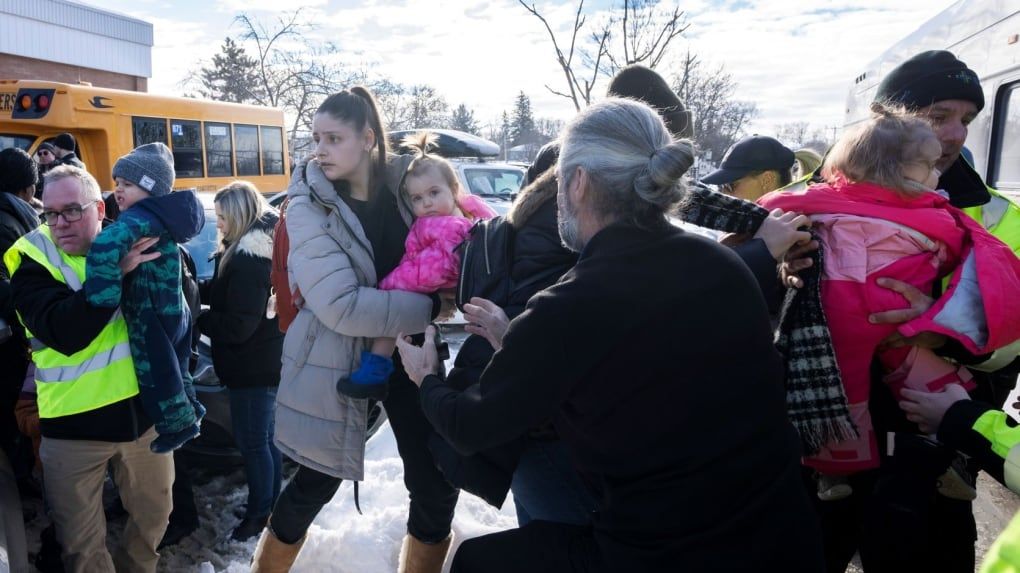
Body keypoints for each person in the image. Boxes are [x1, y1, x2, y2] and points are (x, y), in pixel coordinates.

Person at [397, 98, 823, 572]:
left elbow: (471, 427)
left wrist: (427, 377)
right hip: (783, 535)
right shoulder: (725, 266)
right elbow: (636, 362)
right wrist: (516, 339)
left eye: (559, 181)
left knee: (476, 562)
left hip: (670, 552)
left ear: (577, 183)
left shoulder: (571, 303)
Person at [760, 104, 1020, 503]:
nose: (938, 173)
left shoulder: (823, 198)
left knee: (845, 393)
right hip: (903, 314)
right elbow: (955, 245)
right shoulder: (932, 210)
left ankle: (834, 468)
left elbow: (771, 209)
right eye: (929, 166)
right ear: (900, 171)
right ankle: (953, 443)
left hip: (840, 310)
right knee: (924, 374)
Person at [253, 87, 459, 573]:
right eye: (315, 138)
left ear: (367, 139)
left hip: (407, 354)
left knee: (434, 480)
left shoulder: (409, 189)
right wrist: (429, 303)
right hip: (334, 355)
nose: (319, 150)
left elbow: (452, 226)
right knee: (316, 482)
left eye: (333, 138)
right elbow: (340, 306)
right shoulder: (308, 206)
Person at [4, 165, 173, 573]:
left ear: (100, 208)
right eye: (50, 213)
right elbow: (66, 331)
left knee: (152, 523)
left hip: (142, 423)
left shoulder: (134, 240)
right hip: (72, 430)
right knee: (81, 547)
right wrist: (115, 274)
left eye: (72, 211)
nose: (59, 224)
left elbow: (174, 315)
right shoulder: (30, 258)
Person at [338, 132, 496, 401]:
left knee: (390, 315)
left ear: (453, 189)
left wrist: (390, 283)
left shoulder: (449, 225)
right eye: (417, 198)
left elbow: (436, 268)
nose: (427, 203)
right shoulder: (452, 217)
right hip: (430, 288)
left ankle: (374, 372)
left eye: (434, 193)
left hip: (426, 284)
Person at [83, 142, 206, 453]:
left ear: (150, 186)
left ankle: (176, 425)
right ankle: (192, 407)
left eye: (126, 184)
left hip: (148, 307)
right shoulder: (166, 217)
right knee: (176, 365)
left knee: (156, 371)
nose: (118, 191)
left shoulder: (138, 217)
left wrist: (103, 295)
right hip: (173, 308)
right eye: (116, 184)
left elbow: (103, 246)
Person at [196, 181, 283, 541]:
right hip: (263, 363)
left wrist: (199, 315)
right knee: (266, 440)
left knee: (255, 443)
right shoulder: (247, 249)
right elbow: (227, 295)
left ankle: (262, 514)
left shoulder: (248, 260)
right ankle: (270, 505)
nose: (218, 224)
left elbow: (238, 325)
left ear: (241, 216)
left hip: (253, 368)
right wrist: (196, 289)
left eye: (222, 217)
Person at [702, 134, 796, 201]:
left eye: (731, 186)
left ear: (767, 180)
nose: (723, 193)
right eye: (721, 186)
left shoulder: (795, 227)